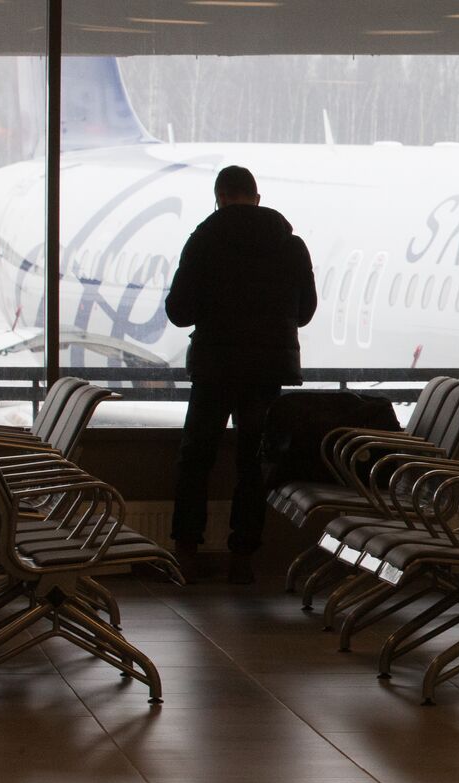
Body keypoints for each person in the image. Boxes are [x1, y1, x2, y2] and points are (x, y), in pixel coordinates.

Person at [166, 165, 316, 584]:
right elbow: (304, 313)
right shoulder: (291, 246)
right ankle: (243, 556)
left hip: (215, 367)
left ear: (220, 197)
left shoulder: (203, 241)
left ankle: (186, 551)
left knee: (197, 457)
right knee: (253, 462)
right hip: (267, 370)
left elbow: (179, 312)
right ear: (257, 196)